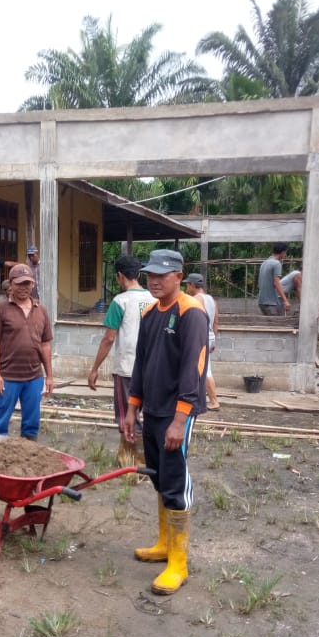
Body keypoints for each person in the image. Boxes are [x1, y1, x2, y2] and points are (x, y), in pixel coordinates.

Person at [123, 249, 208, 596]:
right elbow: (141, 364)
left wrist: (180, 419)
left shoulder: (191, 312)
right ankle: (163, 543)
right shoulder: (149, 313)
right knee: (158, 478)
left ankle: (179, 563)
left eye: (163, 274)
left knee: (175, 481)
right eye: (150, 274)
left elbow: (194, 368)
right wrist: (132, 408)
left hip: (176, 415)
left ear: (179, 275)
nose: (154, 280)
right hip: (153, 411)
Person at [88, 255, 157, 481]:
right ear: (138, 274)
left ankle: (133, 464)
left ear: (119, 276)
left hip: (128, 369)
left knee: (127, 415)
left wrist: (95, 368)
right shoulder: (155, 299)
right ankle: (143, 458)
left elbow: (109, 338)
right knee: (150, 414)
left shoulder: (120, 301)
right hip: (154, 368)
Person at [0, 263, 54, 439]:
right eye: (19, 283)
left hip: (34, 377)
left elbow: (45, 344)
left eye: (27, 283)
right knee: (0, 422)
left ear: (33, 284)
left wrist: (49, 376)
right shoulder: (1, 310)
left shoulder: (41, 311)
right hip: (8, 376)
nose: (24, 288)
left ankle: (29, 454)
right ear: (11, 285)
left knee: (31, 424)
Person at [183, 272, 220, 410]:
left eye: (187, 284)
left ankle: (214, 401)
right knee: (202, 368)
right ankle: (201, 397)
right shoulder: (211, 299)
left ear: (193, 285)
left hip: (200, 337)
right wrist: (213, 339)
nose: (187, 288)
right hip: (209, 336)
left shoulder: (196, 299)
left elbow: (190, 320)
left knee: (205, 370)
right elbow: (216, 321)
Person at [257, 242, 291, 316]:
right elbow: (277, 283)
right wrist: (285, 300)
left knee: (270, 326)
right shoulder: (276, 264)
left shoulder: (264, 263)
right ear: (282, 252)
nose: (285, 255)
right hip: (271, 303)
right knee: (278, 325)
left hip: (262, 302)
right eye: (285, 253)